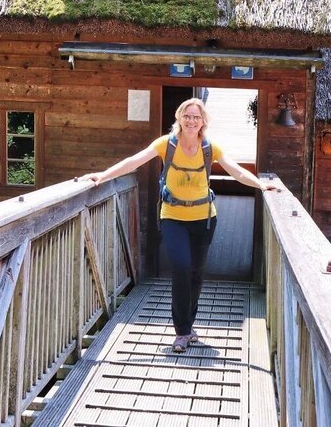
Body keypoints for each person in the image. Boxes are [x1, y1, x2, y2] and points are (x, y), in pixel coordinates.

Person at [76, 97, 279, 353]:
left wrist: (261, 185)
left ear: (203, 121)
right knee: (182, 268)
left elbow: (236, 171)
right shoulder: (166, 144)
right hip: (173, 217)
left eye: (196, 116)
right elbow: (134, 161)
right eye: (187, 115)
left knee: (195, 274)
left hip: (204, 219)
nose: (191, 120)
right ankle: (182, 332)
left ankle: (189, 325)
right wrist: (102, 175)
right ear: (179, 117)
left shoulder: (210, 148)